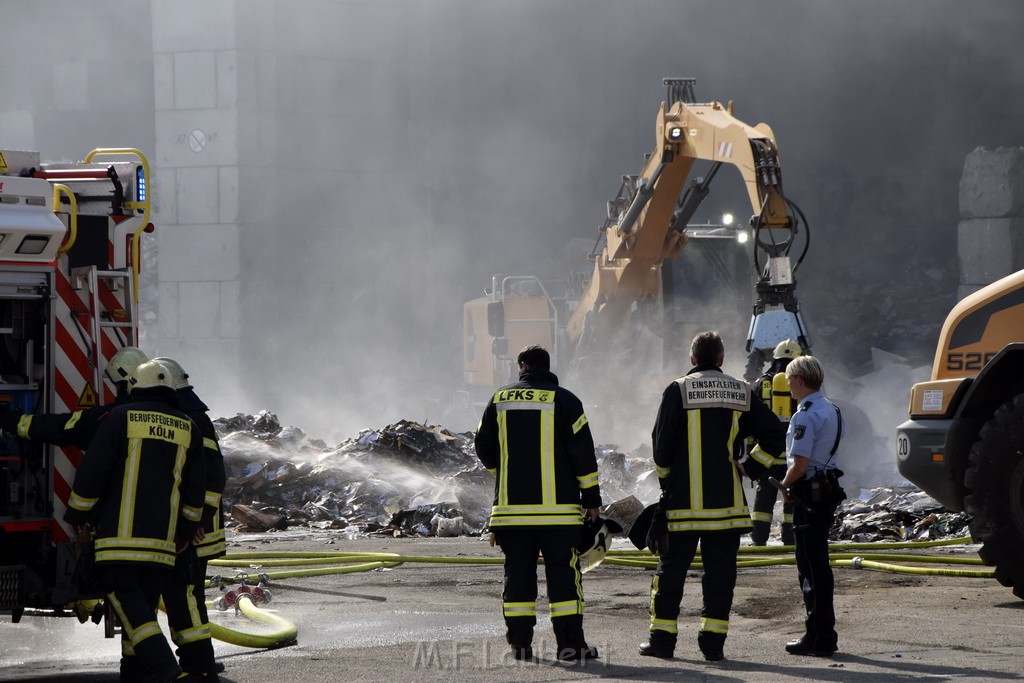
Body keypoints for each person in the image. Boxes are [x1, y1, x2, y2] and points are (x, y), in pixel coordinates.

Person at [639, 331, 786, 662]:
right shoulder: (740, 391)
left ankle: (662, 642)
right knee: (720, 578)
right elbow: (775, 435)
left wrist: (667, 484)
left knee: (671, 572)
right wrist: (751, 467)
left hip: (682, 506)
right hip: (727, 509)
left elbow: (661, 448)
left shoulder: (677, 390)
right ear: (721, 360)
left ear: (693, 360)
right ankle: (713, 645)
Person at [63, 359, 206, 682]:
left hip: (119, 542)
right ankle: (134, 674)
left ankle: (166, 671)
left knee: (131, 608)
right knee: (140, 612)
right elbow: (195, 492)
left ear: (134, 387)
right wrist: (184, 533)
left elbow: (93, 472)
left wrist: (77, 514)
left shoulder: (119, 418)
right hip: (163, 548)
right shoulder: (187, 426)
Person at [475, 345, 603, 663]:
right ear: (547, 367)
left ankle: (520, 646)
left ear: (522, 366)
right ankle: (571, 647)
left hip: (511, 514)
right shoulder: (567, 400)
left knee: (517, 577)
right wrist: (592, 501)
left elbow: (482, 446)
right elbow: (584, 457)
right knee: (564, 579)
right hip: (560, 516)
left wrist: (503, 472)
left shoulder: (499, 400)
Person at [153, 357, 227, 680]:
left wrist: (196, 522)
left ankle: (200, 665)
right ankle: (198, 662)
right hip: (189, 527)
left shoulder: (193, 420)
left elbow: (213, 478)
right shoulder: (186, 414)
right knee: (187, 596)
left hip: (196, 531)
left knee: (186, 596)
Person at [778, 355, 845, 657]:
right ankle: (823, 633)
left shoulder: (804, 415)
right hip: (826, 490)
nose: (787, 384)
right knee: (818, 564)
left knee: (809, 567)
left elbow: (801, 463)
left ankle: (817, 636)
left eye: (790, 378)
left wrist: (784, 485)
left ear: (800, 380)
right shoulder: (831, 408)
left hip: (809, 494)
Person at [0, 346, 149, 448]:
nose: (116, 388)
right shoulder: (171, 416)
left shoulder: (109, 418)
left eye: (117, 384)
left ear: (126, 383)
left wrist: (10, 420)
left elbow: (60, 428)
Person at [749, 339, 802, 546]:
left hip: (767, 456)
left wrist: (750, 454)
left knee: (763, 501)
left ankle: (759, 539)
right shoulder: (800, 383)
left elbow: (751, 420)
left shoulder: (762, 383)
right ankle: (789, 539)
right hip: (793, 457)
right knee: (791, 499)